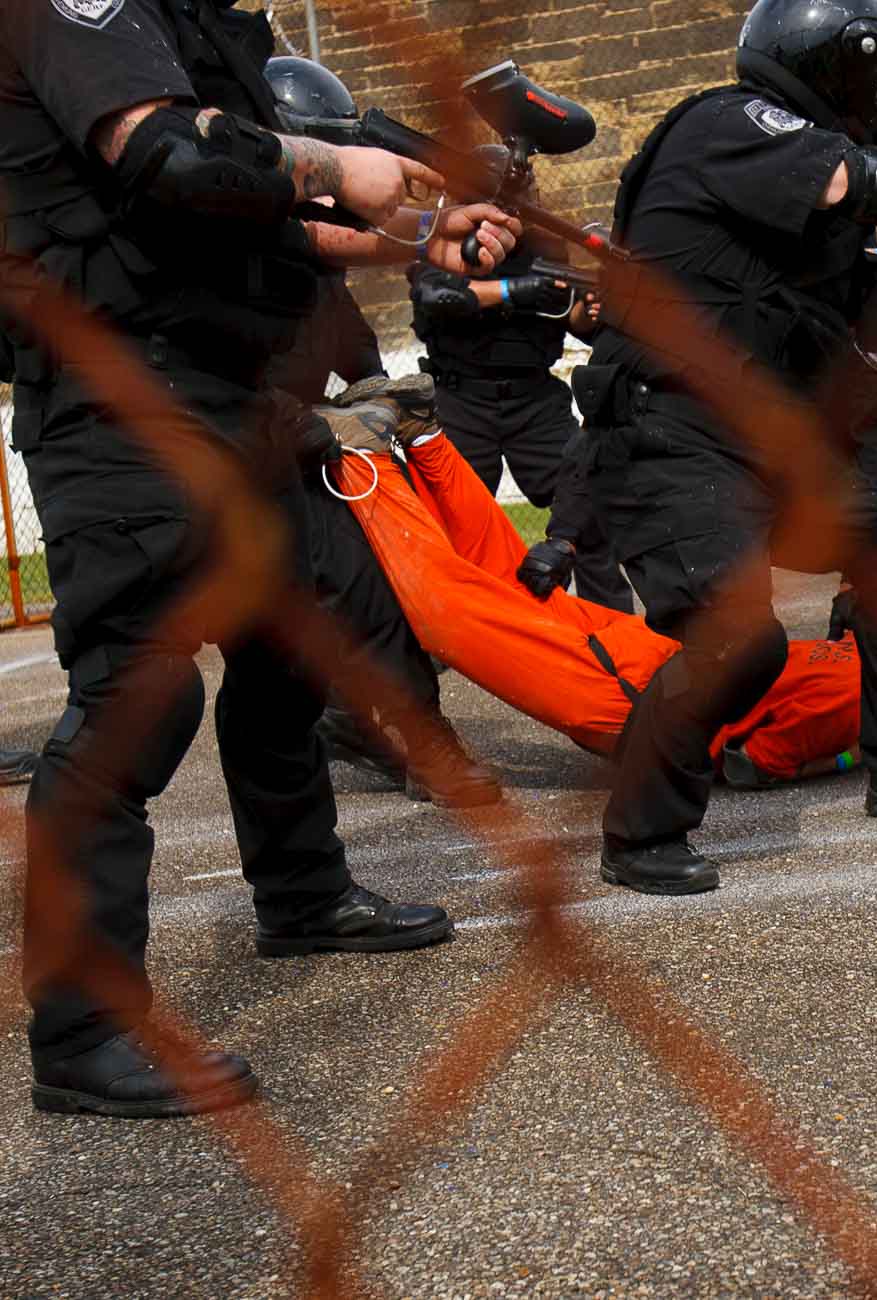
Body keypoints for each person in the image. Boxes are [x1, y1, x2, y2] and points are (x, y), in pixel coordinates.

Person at [0, 0, 518, 1118]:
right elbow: (170, 155)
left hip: (235, 391)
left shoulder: (187, 23)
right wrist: (338, 159)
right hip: (120, 396)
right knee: (138, 695)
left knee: (291, 647)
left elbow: (238, 212)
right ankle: (84, 1029)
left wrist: (403, 233)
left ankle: (301, 892)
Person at [577, 0, 877, 898]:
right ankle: (640, 835)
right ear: (835, 66)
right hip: (670, 439)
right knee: (741, 644)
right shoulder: (731, 123)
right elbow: (846, 181)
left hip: (763, 446)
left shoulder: (814, 213)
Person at [312, 378, 877, 788]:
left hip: (638, 661)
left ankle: (421, 434)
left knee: (502, 579)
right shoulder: (857, 690)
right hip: (624, 693)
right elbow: (749, 763)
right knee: (454, 611)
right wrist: (849, 760)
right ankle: (363, 455)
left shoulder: (849, 666)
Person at [262, 55, 499, 809]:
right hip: (204, 441)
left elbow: (350, 349)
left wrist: (381, 398)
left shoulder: (314, 256)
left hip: (288, 446)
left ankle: (393, 731)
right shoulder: (221, 237)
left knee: (368, 585)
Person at [409, 156, 634, 614]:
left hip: (535, 401)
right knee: (450, 527)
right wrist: (516, 290)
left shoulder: (545, 245)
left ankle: (614, 628)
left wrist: (587, 310)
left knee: (587, 518)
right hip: (461, 400)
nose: (516, 209)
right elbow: (438, 298)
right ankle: (452, 630)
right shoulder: (446, 236)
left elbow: (570, 320)